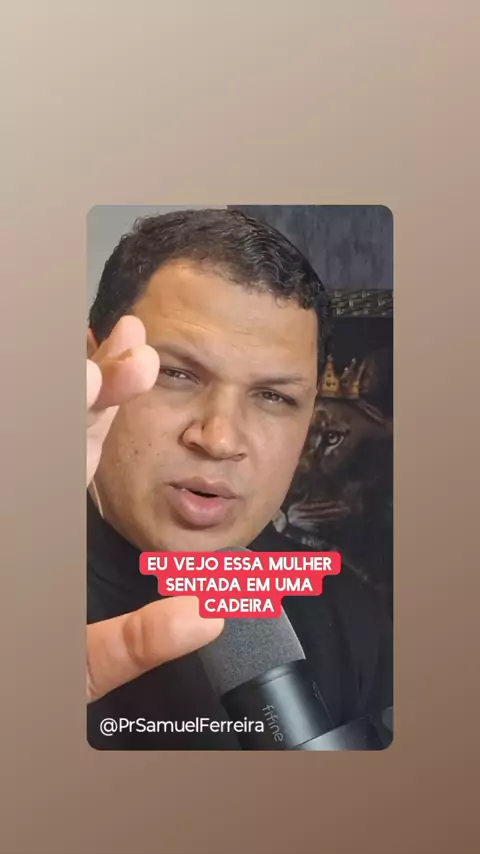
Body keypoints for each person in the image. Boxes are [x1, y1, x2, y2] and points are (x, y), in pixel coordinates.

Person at [86, 208, 392, 749]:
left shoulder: (351, 615)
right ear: (92, 363)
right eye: (176, 374)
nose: (220, 439)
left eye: (274, 396)